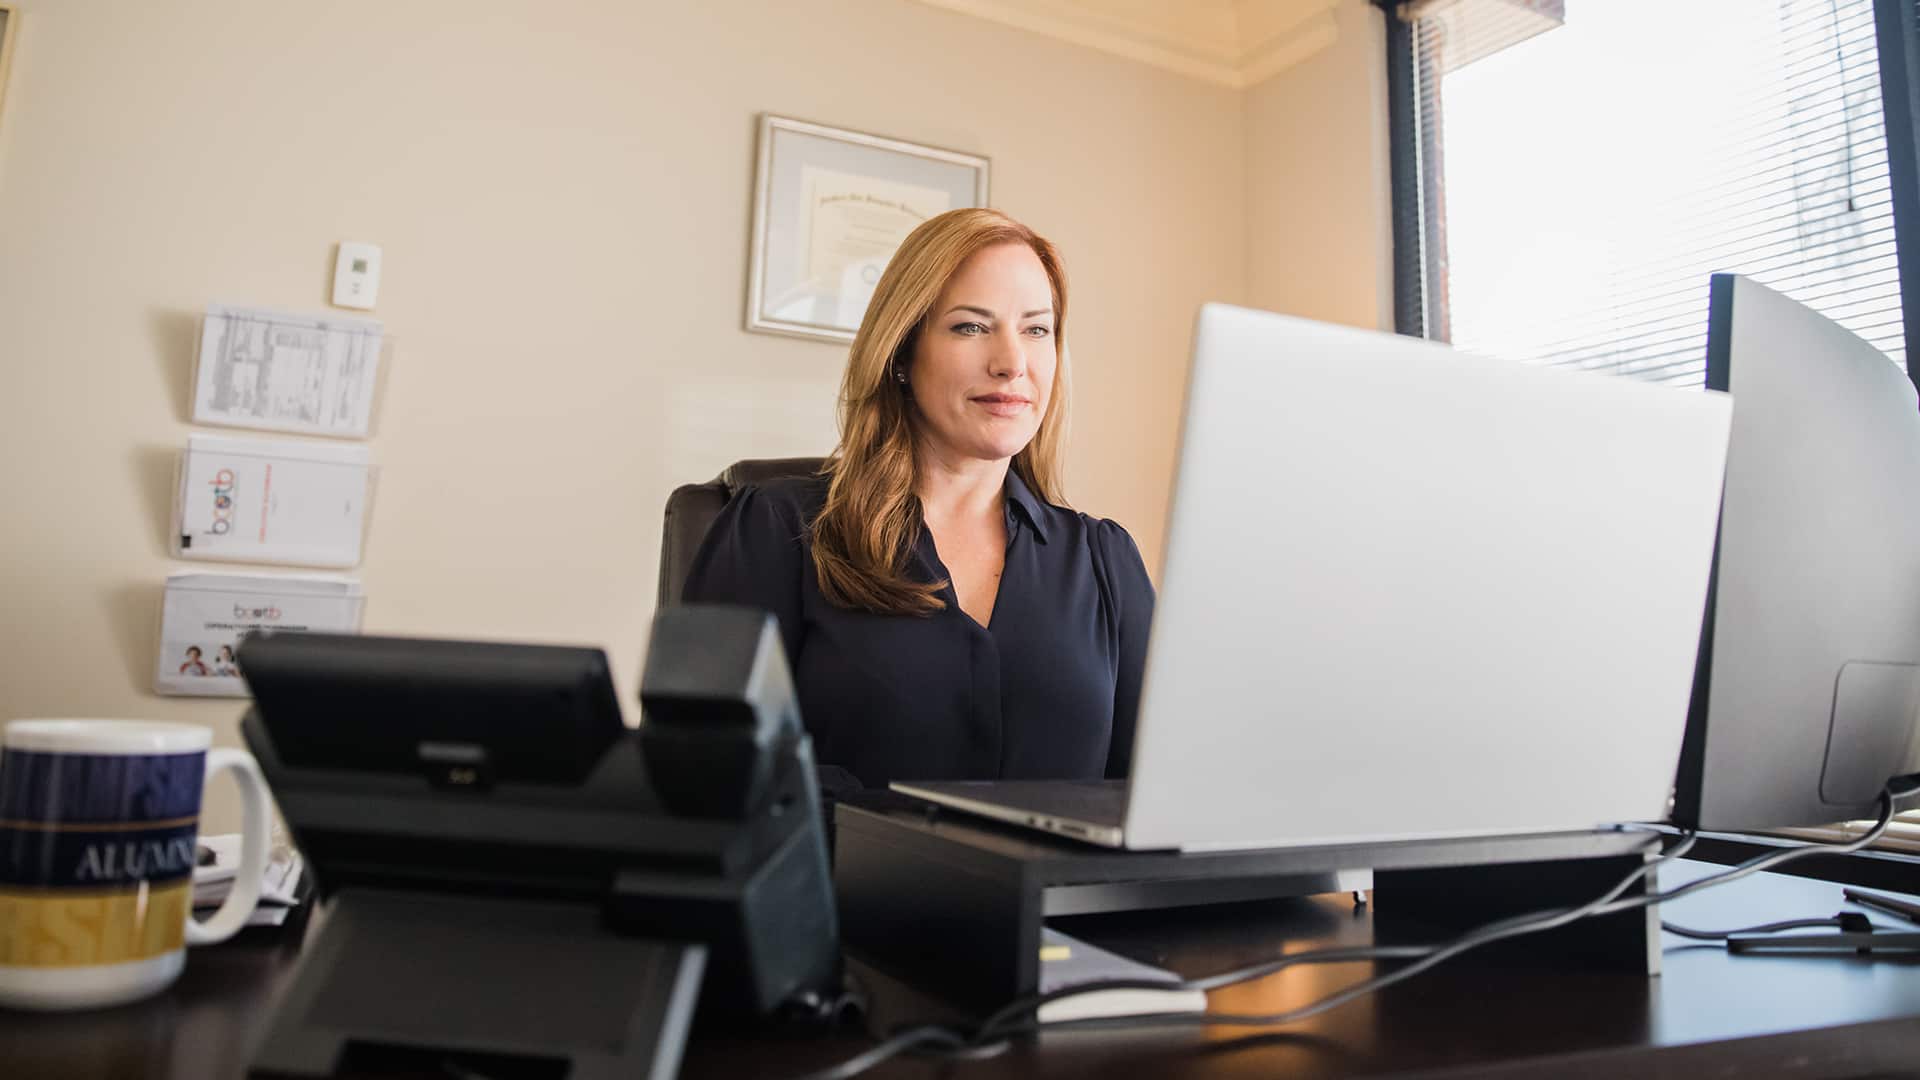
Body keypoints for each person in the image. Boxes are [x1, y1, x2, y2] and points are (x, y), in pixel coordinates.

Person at [682, 208, 1154, 799]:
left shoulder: (1104, 560)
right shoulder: (777, 528)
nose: (1013, 362)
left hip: (1058, 892)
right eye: (970, 327)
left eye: (1037, 329)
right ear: (901, 353)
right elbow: (706, 781)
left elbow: (1154, 799)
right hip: (848, 889)